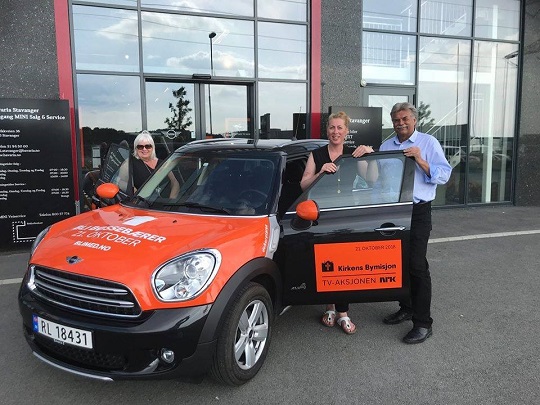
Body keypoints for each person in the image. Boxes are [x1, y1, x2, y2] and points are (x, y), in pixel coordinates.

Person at [377, 102, 452, 344]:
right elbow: (379, 180)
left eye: (404, 119)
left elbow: (444, 174)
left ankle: (423, 323)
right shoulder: (386, 146)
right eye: (396, 120)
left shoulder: (428, 143)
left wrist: (420, 159)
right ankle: (407, 307)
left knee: (417, 265)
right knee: (398, 262)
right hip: (394, 211)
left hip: (418, 211)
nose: (400, 123)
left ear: (414, 120)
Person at [300, 111, 375, 334]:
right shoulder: (317, 155)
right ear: (327, 130)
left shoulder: (354, 154)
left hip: (344, 214)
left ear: (346, 131)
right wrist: (321, 172)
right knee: (326, 262)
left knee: (344, 263)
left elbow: (372, 179)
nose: (335, 131)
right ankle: (330, 307)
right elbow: (303, 185)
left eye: (340, 127)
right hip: (321, 214)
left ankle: (343, 312)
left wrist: (370, 156)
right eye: (332, 127)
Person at [118, 131, 179, 198]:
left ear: (153, 147)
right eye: (140, 147)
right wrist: (135, 194)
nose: (144, 149)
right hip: (144, 203)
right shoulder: (129, 163)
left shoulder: (163, 163)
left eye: (148, 146)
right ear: (136, 148)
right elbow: (120, 182)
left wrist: (171, 199)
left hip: (167, 203)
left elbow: (174, 182)